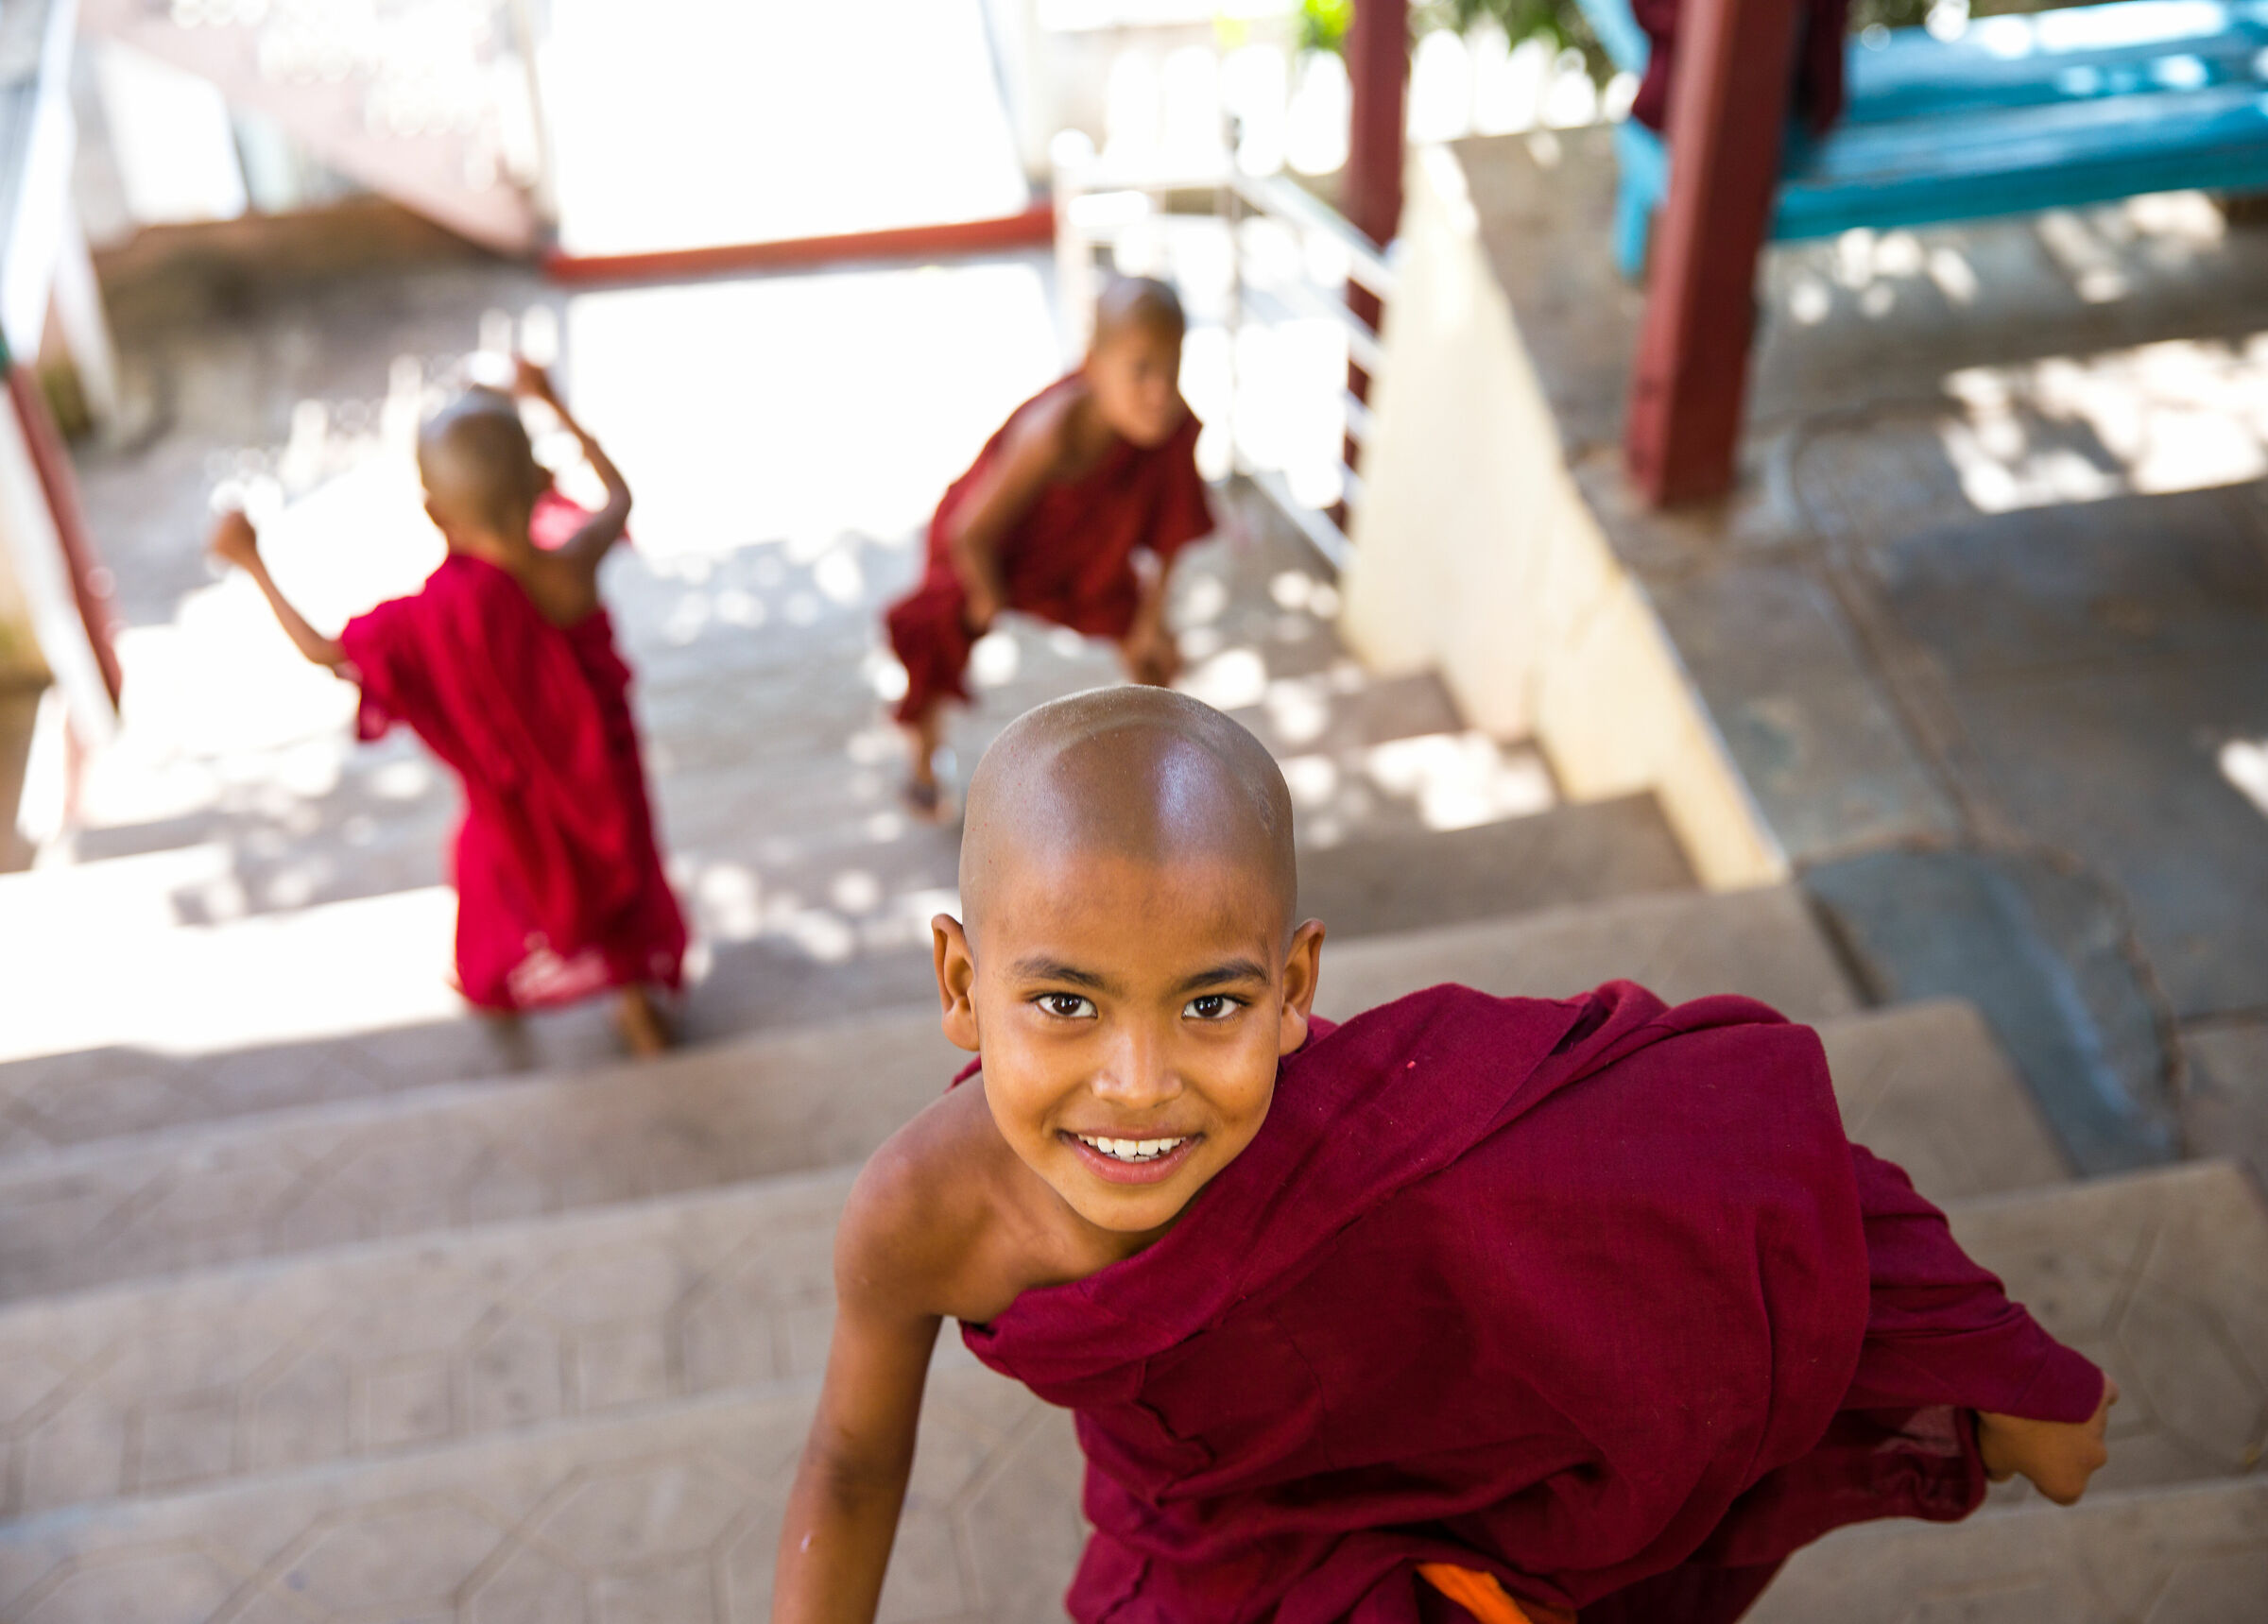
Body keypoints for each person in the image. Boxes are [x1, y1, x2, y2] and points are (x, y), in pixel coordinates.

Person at [771, 686, 2117, 1624]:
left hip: (1456, 1497)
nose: (1140, 1083)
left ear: (1295, 987)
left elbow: (1737, 1153)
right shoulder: (922, 1214)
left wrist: (1999, 1357)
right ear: (960, 981)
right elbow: (847, 1453)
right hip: (1196, 1529)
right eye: (1065, 1002)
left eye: (1213, 1003)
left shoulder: (1389, 1120)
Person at [208, 360, 687, 1054]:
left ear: (434, 511)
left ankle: (498, 991)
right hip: (603, 772)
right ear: (539, 483)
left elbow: (322, 650)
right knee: (620, 869)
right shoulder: (572, 564)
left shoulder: (426, 618)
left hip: (512, 797)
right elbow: (620, 494)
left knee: (497, 872)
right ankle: (638, 1003)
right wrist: (553, 401)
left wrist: (252, 560)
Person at [883, 276, 1214, 815]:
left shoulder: (1167, 428)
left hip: (1082, 558)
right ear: (1092, 363)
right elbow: (970, 531)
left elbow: (1173, 527)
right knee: (938, 638)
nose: (1161, 393)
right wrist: (986, 600)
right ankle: (922, 764)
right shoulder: (1053, 432)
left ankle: (1164, 759)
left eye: (1172, 369)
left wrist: (1153, 615)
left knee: (1152, 650)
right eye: (1141, 370)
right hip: (990, 550)